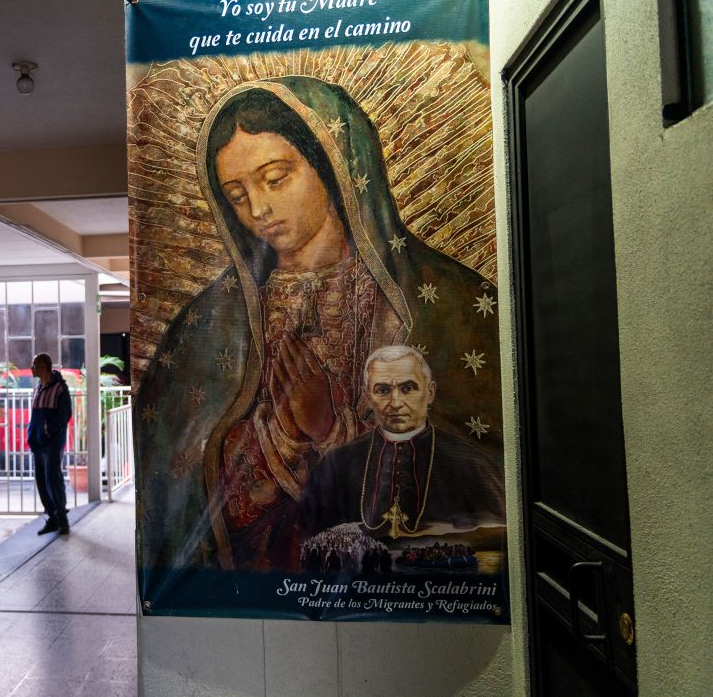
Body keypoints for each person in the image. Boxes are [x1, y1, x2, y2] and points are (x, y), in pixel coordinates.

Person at [135, 77, 503, 586]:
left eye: (276, 177)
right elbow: (183, 490)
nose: (259, 211)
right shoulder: (213, 325)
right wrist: (284, 435)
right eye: (237, 195)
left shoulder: (440, 300)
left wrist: (333, 431)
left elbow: (482, 466)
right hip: (269, 581)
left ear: (331, 166)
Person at [299, 346, 505, 541]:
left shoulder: (472, 464)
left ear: (430, 392)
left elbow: (501, 541)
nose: (396, 402)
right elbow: (309, 545)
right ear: (368, 396)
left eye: (408, 388)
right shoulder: (336, 465)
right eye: (382, 390)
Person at [28, 353, 72, 535]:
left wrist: (48, 429)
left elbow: (65, 415)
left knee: (53, 478)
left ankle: (62, 519)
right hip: (38, 442)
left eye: (35, 364)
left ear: (44, 366)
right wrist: (33, 434)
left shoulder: (60, 388)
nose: (32, 368)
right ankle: (52, 518)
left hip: (53, 441)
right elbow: (35, 416)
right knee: (41, 479)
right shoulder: (38, 387)